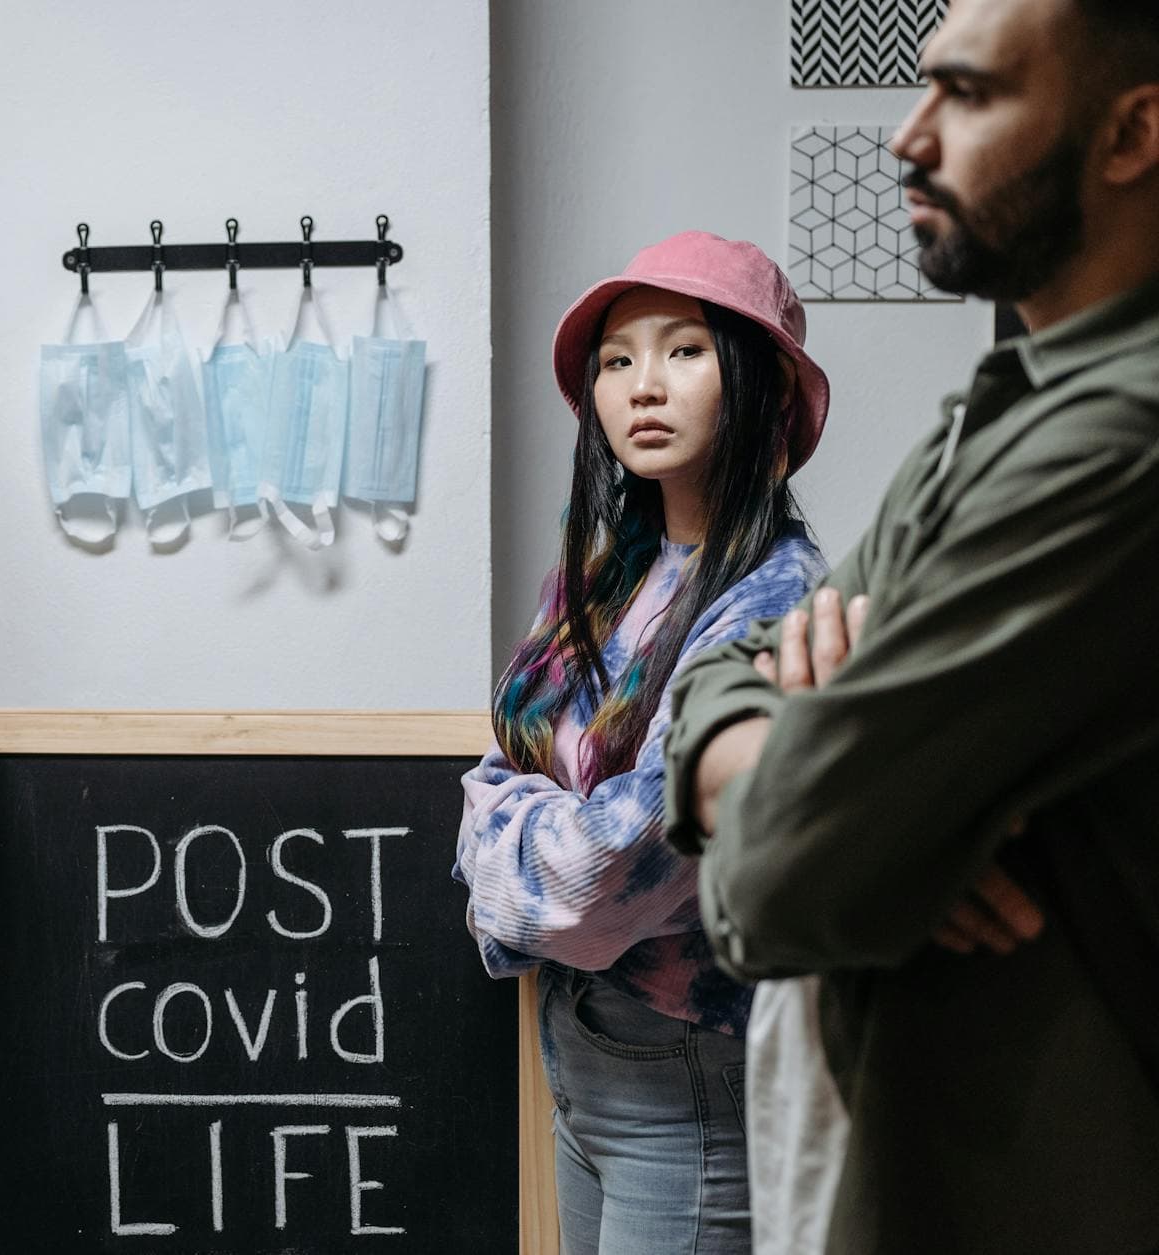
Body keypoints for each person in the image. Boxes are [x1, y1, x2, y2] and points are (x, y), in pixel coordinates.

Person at [664, 0, 1159, 1249]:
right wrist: (837, 785)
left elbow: (784, 873)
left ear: (1129, 135)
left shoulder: (1116, 438)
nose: (904, 134)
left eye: (969, 94)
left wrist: (835, 816)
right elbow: (717, 673)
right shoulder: (994, 410)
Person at [454, 231, 830, 1254]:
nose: (641, 386)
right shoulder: (607, 573)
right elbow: (502, 765)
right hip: (581, 1049)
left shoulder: (776, 602)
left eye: (682, 351)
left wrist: (507, 850)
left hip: (690, 1067)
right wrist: (535, 830)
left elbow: (600, 876)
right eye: (616, 361)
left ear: (757, 383)